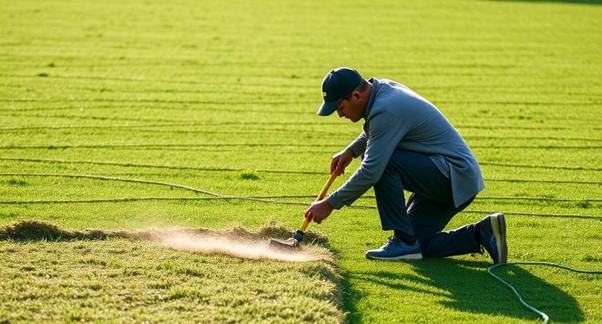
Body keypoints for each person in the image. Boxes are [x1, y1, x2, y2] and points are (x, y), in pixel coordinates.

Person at [304, 67, 507, 264]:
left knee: (383, 162)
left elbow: (371, 170)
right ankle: (482, 233)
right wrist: (351, 150)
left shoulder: (386, 109)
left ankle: (403, 240)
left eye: (340, 108)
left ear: (356, 96)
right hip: (454, 178)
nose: (340, 115)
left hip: (452, 177)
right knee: (417, 245)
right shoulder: (381, 89)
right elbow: (377, 129)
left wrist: (330, 203)